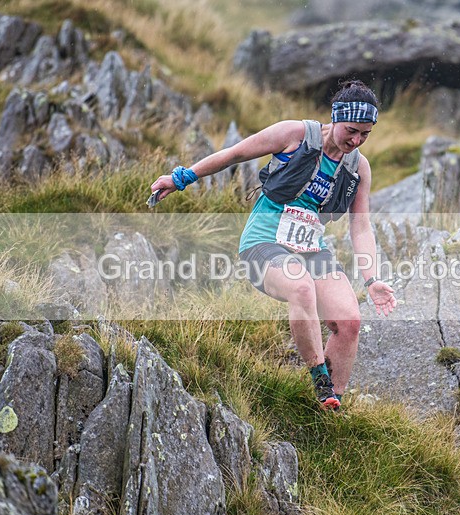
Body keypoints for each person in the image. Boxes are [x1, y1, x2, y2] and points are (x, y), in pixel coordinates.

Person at [150, 80, 397, 410]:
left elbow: (361, 227)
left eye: (365, 135)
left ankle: (330, 407)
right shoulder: (294, 135)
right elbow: (234, 154)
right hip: (263, 243)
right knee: (301, 288)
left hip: (311, 248)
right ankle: (320, 380)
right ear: (336, 117)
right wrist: (180, 179)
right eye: (351, 131)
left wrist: (372, 279)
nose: (356, 140)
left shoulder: (358, 167)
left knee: (349, 322)